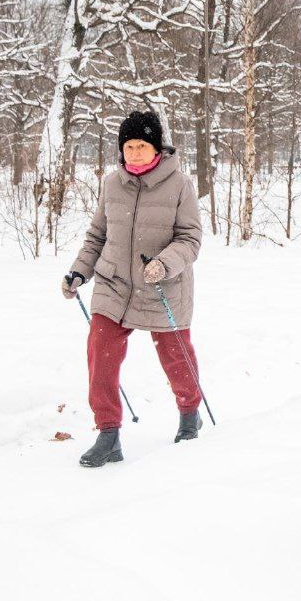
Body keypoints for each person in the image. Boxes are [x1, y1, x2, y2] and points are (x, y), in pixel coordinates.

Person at [62, 111, 206, 468]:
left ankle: (190, 414)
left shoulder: (179, 185)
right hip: (114, 284)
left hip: (162, 285)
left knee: (175, 356)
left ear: (156, 147)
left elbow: (190, 239)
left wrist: (164, 263)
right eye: (128, 146)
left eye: (141, 145)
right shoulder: (112, 184)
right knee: (101, 352)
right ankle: (108, 434)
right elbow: (98, 236)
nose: (135, 153)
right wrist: (79, 271)